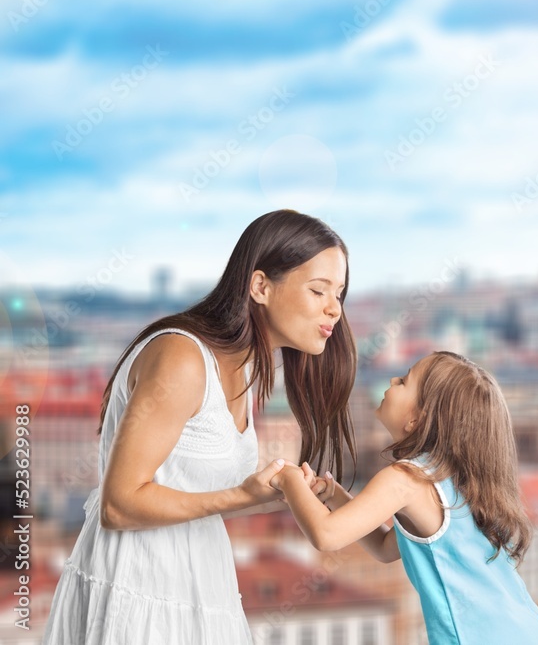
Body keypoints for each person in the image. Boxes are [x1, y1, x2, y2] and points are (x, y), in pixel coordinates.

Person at [43, 209, 358, 644]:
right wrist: (240, 494)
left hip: (200, 586)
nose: (334, 309)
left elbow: (192, 497)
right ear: (260, 286)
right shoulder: (182, 358)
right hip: (137, 589)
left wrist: (275, 497)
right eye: (319, 290)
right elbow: (118, 505)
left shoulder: (245, 371)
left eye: (340, 294)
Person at [272, 351, 538, 645]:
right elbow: (385, 547)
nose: (394, 379)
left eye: (405, 381)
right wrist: (333, 495)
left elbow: (326, 535)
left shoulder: (407, 478)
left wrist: (288, 478)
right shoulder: (453, 482)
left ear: (417, 419)